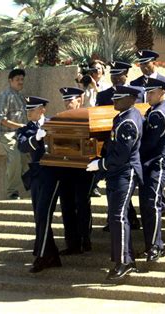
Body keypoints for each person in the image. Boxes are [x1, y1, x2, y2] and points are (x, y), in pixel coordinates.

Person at [86, 85, 143, 281]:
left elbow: (121, 155)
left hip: (124, 173)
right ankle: (126, 259)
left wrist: (100, 164)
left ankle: (123, 262)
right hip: (116, 173)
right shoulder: (121, 118)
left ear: (131, 99)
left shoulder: (129, 122)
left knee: (118, 217)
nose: (114, 101)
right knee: (118, 216)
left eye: (118, 98)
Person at [16, 96, 62, 273]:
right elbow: (22, 146)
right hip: (36, 175)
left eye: (31, 109)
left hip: (52, 174)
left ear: (42, 109)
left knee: (43, 214)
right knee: (39, 216)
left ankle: (42, 255)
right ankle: (52, 255)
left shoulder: (53, 123)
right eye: (27, 109)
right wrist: (36, 138)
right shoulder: (26, 129)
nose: (28, 112)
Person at [96, 61, 142, 232]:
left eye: (119, 74)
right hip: (111, 145)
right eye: (113, 75)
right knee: (115, 187)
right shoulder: (103, 96)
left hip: (131, 145)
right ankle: (123, 217)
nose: (116, 78)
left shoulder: (137, 94)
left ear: (126, 75)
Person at [139, 77, 165, 262]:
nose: (148, 96)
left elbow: (149, 143)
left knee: (151, 206)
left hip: (156, 163)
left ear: (162, 91)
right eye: (147, 92)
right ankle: (151, 245)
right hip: (153, 163)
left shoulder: (159, 114)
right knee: (147, 205)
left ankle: (155, 246)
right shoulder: (163, 108)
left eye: (152, 92)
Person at [57, 87, 95, 255]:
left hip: (83, 168)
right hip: (65, 169)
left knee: (82, 203)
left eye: (70, 100)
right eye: (65, 100)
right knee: (66, 205)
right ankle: (72, 242)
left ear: (79, 100)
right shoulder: (59, 118)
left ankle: (84, 239)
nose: (67, 103)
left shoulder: (88, 116)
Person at [0, 69, 29, 200]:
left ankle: (32, 187)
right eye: (17, 80)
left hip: (21, 134)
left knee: (28, 158)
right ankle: (12, 192)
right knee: (14, 157)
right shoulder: (4, 96)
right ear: (10, 81)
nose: (20, 82)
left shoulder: (21, 96)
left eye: (22, 79)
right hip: (7, 134)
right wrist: (19, 126)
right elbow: (1, 119)